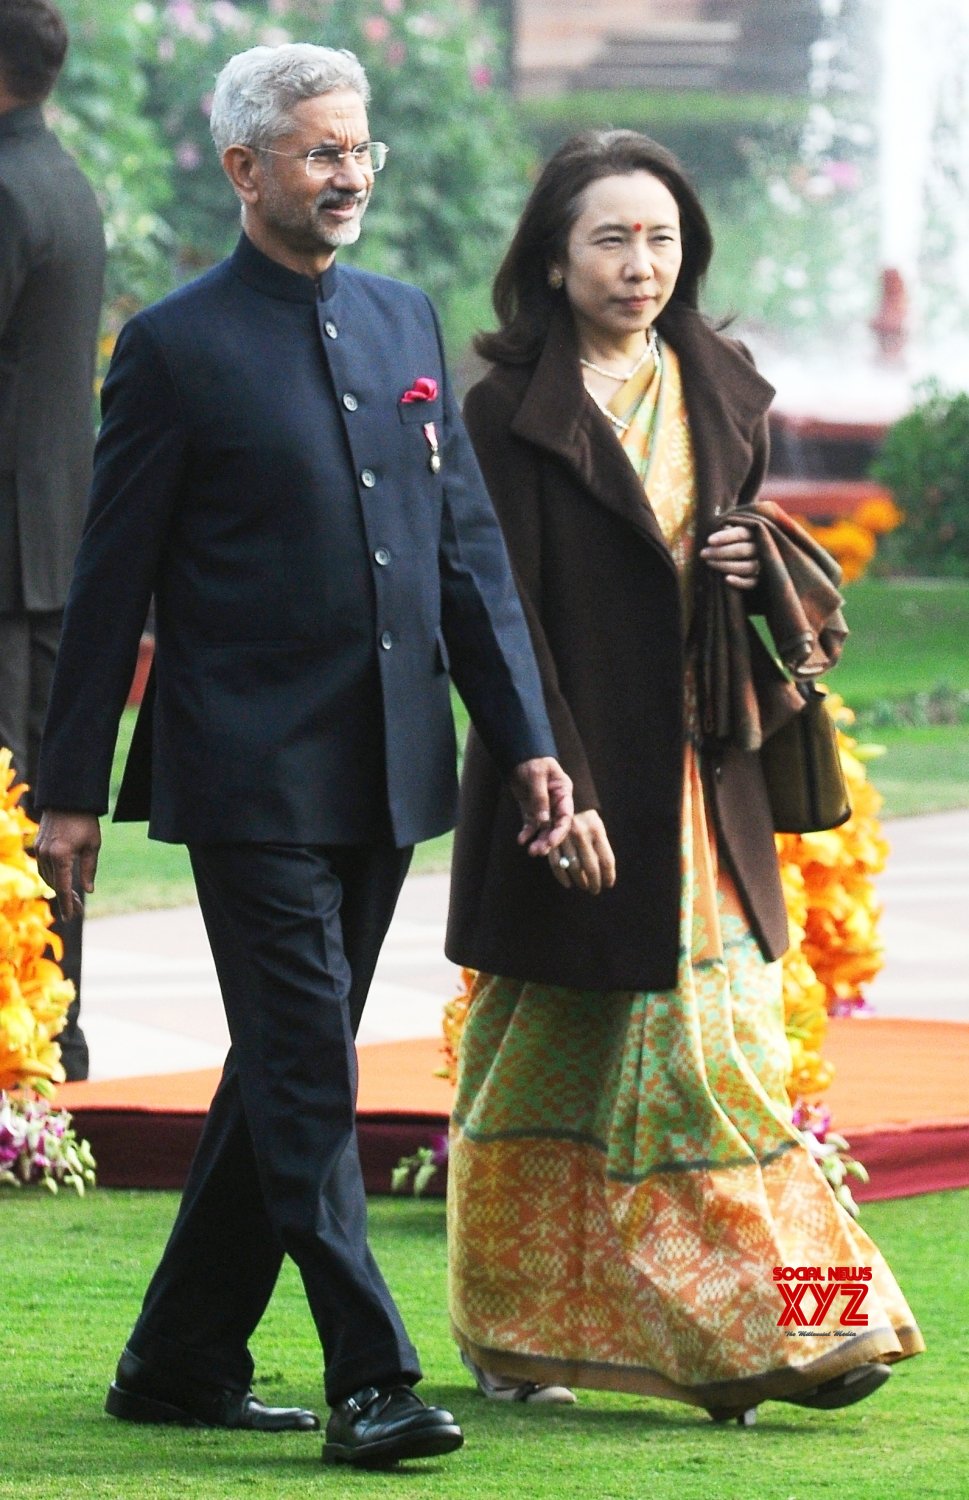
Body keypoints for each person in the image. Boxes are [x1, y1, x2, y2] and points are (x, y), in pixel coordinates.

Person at [33, 43, 572, 1469]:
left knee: (291, 1057)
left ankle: (179, 1359)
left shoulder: (404, 321)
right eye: (321, 152)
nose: (348, 176)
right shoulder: (174, 345)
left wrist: (523, 740)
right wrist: (68, 791)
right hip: (243, 771)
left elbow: (465, 559)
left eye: (361, 150)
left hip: (390, 763)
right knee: (303, 1064)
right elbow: (110, 583)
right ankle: (372, 1378)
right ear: (245, 168)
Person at [445, 130, 924, 1420]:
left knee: (723, 1068)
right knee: (530, 1064)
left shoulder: (720, 381)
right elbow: (498, 618)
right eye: (610, 237)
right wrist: (562, 786)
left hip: (708, 790)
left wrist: (745, 558)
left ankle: (808, 1328)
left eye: (659, 238)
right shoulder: (502, 409)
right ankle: (513, 1336)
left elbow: (761, 550)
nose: (639, 263)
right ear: (552, 258)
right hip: (570, 787)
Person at [0, 0, 105, 1081]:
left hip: (6, 554)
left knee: (12, 807)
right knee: (33, 804)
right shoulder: (58, 175)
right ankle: (55, 1028)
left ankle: (36, 1035)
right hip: (47, 543)